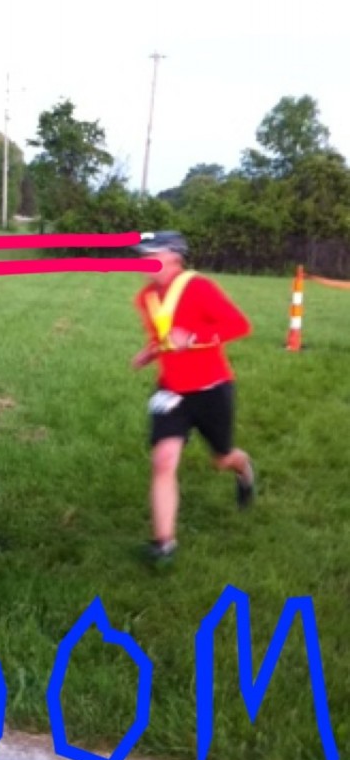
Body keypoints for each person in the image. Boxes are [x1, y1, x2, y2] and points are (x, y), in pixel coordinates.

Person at [130, 231, 255, 565]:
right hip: (171, 390)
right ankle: (164, 543)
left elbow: (240, 325)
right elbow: (166, 336)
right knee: (163, 460)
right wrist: (150, 352)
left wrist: (196, 337)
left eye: (150, 255)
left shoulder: (199, 288)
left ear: (173, 257)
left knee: (222, 458)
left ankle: (241, 467)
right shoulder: (146, 298)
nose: (142, 262)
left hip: (212, 388)